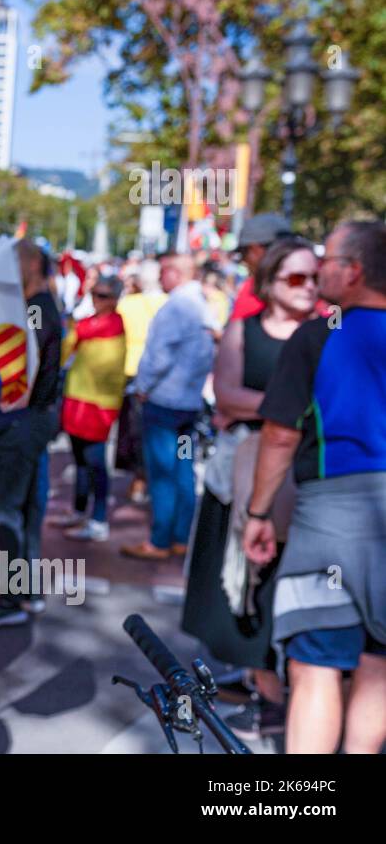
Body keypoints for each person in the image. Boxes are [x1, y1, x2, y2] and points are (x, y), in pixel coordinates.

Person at [244, 220, 386, 754]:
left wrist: (258, 513)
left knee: (317, 664)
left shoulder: (319, 337)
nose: (318, 269)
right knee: (377, 663)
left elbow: (280, 436)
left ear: (353, 272)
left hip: (332, 520)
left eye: (327, 259)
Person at [180, 236, 319, 740]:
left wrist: (259, 407)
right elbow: (225, 394)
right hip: (243, 476)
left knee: (286, 583)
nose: (309, 287)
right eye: (297, 277)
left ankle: (278, 694)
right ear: (271, 282)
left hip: (305, 481)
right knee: (238, 580)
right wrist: (287, 408)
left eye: (315, 276)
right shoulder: (244, 330)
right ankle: (259, 682)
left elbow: (243, 401)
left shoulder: (330, 332)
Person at [0, 240, 63, 628]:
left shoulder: (36, 308)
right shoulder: (42, 305)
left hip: (23, 423)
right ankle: (24, 590)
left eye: (15, 260)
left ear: (33, 263)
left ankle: (6, 598)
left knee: (5, 512)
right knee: (25, 509)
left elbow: (25, 366)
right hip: (32, 422)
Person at [122, 252, 216, 560]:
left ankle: (160, 541)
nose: (161, 279)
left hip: (165, 405)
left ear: (175, 273)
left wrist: (143, 388)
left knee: (163, 474)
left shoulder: (177, 307)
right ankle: (179, 537)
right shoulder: (202, 306)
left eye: (164, 272)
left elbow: (158, 356)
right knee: (182, 470)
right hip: (187, 405)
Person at [60, 276, 128, 542]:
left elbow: (103, 370)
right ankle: (79, 510)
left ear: (114, 299)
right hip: (78, 401)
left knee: (96, 464)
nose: (96, 300)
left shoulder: (112, 327)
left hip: (97, 407)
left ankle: (98, 519)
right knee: (79, 461)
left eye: (102, 296)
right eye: (94, 294)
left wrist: (75, 332)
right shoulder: (87, 325)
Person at [115, 259, 166, 504]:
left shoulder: (128, 304)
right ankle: (144, 480)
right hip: (160, 377)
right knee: (149, 432)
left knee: (135, 430)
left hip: (132, 371)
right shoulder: (169, 304)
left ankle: (140, 481)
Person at [230, 213, 292, 322]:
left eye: (243, 253)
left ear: (255, 249)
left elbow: (236, 335)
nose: (244, 261)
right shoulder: (309, 287)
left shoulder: (254, 289)